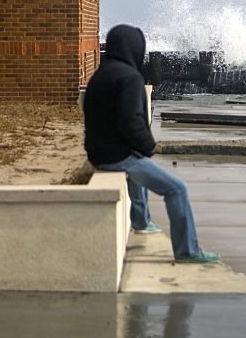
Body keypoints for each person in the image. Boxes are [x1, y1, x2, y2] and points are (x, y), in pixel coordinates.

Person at [83, 24, 220, 264]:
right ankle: (187, 251)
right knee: (177, 189)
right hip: (116, 157)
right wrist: (149, 146)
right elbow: (131, 122)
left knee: (138, 163)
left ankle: (141, 221)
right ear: (135, 48)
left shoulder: (101, 74)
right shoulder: (130, 77)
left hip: (98, 152)